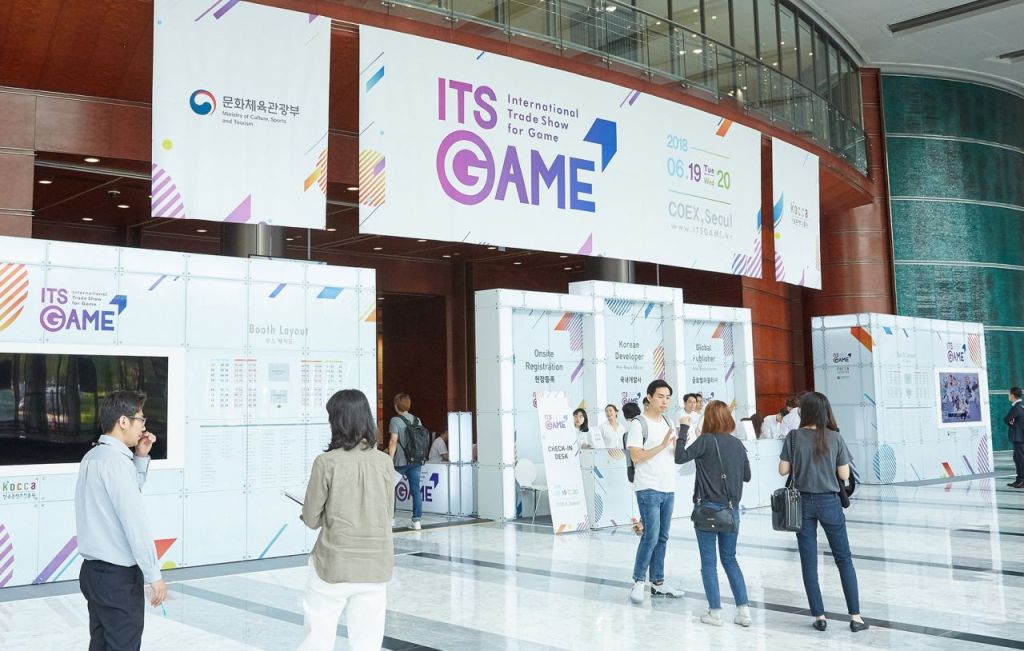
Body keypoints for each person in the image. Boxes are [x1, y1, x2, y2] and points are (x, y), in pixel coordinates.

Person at [300, 389, 394, 651]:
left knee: (317, 638)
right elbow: (387, 514)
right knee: (367, 642)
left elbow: (311, 519)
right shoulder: (385, 462)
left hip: (334, 563)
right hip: (376, 564)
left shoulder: (326, 462)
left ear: (337, 421)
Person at [74, 390, 166, 651]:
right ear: (123, 421)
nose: (143, 427)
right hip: (118, 578)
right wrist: (154, 575)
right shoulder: (116, 463)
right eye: (141, 419)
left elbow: (123, 496)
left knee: (101, 643)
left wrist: (140, 457)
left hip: (93, 574)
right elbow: (134, 524)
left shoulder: (93, 457)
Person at [779, 392, 869, 633]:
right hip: (830, 502)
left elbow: (782, 470)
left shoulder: (793, 437)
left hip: (802, 504)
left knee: (809, 562)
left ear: (804, 411)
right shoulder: (835, 437)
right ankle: (856, 617)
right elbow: (844, 475)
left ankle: (819, 616)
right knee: (844, 559)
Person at [675, 401, 752, 627]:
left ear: (708, 419)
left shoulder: (706, 440)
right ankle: (744, 612)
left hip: (707, 510)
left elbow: (680, 457)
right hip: (731, 510)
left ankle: (715, 613)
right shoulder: (737, 444)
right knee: (730, 559)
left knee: (709, 563)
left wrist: (683, 429)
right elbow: (747, 476)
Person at [626, 380, 686, 604]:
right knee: (650, 536)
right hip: (648, 486)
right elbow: (636, 456)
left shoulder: (668, 421)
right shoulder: (638, 423)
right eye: (660, 396)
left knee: (662, 537)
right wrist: (661, 445)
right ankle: (638, 581)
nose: (665, 401)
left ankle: (658, 583)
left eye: (668, 397)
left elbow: (674, 453)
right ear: (649, 397)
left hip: (668, 486)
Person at [388, 392, 424, 530]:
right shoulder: (417, 420)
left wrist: (390, 459)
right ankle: (417, 521)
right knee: (415, 489)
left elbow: (393, 441)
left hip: (400, 462)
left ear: (396, 405)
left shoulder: (395, 420)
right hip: (416, 461)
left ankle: (391, 519)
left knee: (390, 487)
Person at [1005, 387, 1024, 488]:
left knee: (1020, 459)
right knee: (1017, 458)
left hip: (1018, 437)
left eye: (1009, 394)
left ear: (1013, 395)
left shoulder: (1016, 408)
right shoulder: (1020, 407)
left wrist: (1011, 423)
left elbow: (1006, 419)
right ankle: (1019, 479)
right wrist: (1012, 422)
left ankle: (1022, 480)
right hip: (1019, 437)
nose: (1008, 395)